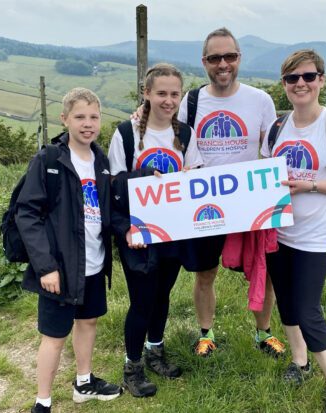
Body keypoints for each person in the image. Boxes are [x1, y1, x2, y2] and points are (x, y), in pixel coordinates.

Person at [261, 49, 326, 413]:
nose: (301, 84)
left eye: (308, 76)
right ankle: (299, 363)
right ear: (284, 85)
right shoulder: (277, 127)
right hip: (279, 232)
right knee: (288, 304)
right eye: (292, 79)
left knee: (308, 310)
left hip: (314, 236)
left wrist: (312, 186)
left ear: (321, 79)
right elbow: (264, 177)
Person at [177, 27, 285, 357]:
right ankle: (206, 334)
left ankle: (263, 333)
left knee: (261, 270)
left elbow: (273, 149)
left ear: (239, 58)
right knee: (205, 272)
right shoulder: (191, 101)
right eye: (214, 58)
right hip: (204, 203)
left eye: (230, 56)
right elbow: (173, 140)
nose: (223, 64)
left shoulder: (260, 100)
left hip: (248, 201)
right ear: (204, 62)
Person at [16, 88, 122, 413]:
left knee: (88, 322)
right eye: (79, 117)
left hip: (92, 264)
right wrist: (46, 266)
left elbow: (114, 200)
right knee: (54, 335)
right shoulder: (49, 160)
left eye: (93, 117)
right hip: (60, 268)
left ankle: (84, 382)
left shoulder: (101, 161)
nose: (87, 124)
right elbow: (27, 214)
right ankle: (43, 402)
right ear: (64, 119)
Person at [109, 63, 203, 397]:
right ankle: (132, 366)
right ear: (146, 93)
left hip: (174, 232)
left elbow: (196, 179)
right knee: (142, 301)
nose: (168, 100)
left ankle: (155, 350)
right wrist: (126, 230)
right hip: (139, 235)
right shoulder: (126, 133)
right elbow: (114, 187)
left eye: (174, 94)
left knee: (162, 295)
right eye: (161, 93)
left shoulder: (186, 134)